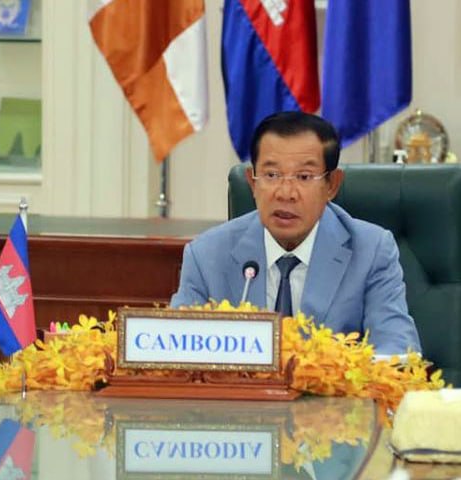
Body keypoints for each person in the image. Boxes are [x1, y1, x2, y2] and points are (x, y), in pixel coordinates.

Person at [170, 111, 421, 354]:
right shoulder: (206, 255)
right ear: (252, 182)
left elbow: (397, 350)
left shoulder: (371, 251)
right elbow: (175, 350)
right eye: (271, 175)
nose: (286, 193)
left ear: (332, 185)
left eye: (304, 176)